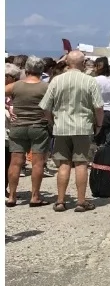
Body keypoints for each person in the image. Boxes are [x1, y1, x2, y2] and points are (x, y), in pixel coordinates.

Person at [38, 49, 104, 212]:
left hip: (61, 127)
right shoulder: (90, 81)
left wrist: (52, 121)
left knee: (63, 164)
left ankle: (60, 201)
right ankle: (81, 202)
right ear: (83, 63)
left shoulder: (56, 80)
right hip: (83, 126)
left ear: (67, 62)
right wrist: (99, 125)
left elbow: (45, 106)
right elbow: (98, 107)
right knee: (81, 163)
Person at [6, 55, 50, 207]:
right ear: (41, 70)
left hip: (18, 126)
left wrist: (8, 108)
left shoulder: (16, 86)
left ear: (26, 69)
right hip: (38, 126)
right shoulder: (45, 87)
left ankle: (12, 196)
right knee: (37, 163)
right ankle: (35, 196)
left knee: (15, 162)